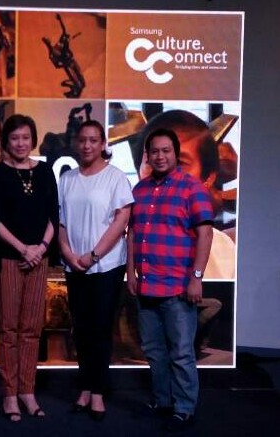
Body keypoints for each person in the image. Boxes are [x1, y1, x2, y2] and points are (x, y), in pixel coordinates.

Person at [127, 128, 213, 432]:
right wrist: (130, 272)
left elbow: (205, 233)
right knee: (153, 350)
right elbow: (132, 233)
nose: (160, 156)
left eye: (166, 151)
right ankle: (162, 400)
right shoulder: (139, 190)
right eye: (155, 151)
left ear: (175, 154)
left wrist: (197, 277)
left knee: (181, 352)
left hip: (178, 286)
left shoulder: (192, 188)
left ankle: (184, 407)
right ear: (147, 155)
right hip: (146, 285)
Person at [0, 114, 59, 422]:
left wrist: (41, 248)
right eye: (15, 138)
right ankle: (10, 394)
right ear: (6, 142)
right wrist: (23, 248)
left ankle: (28, 391)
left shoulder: (45, 171)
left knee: (31, 329)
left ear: (33, 139)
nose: (21, 143)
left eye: (26, 137)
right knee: (8, 329)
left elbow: (54, 215)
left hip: (39, 257)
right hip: (9, 258)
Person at [58, 120, 133, 420]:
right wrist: (68, 253)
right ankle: (85, 387)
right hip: (74, 265)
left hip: (106, 265)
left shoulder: (115, 177)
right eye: (82, 140)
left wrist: (93, 255)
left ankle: (98, 390)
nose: (87, 145)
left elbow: (121, 220)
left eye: (93, 140)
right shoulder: (67, 179)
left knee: (101, 329)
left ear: (103, 144)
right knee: (81, 329)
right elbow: (60, 221)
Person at [136, 109, 235, 279]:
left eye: (179, 163)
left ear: (208, 178)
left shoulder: (223, 252)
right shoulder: (111, 244)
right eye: (151, 160)